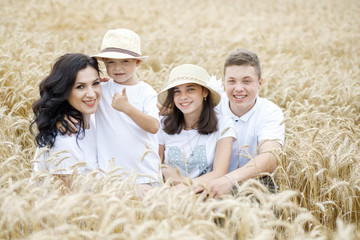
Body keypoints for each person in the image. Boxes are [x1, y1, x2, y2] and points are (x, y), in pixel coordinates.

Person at [201, 48, 285, 198]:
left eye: (247, 81)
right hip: (209, 184)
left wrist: (228, 180)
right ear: (224, 82)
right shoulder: (211, 104)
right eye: (232, 81)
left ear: (259, 83)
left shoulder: (270, 111)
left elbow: (271, 156)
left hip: (253, 185)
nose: (239, 88)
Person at [91, 28, 161, 184]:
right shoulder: (100, 89)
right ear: (104, 63)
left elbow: (154, 126)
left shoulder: (146, 91)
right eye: (111, 62)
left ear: (137, 62)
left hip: (145, 174)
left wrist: (127, 108)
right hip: (110, 176)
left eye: (125, 61)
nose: (117, 68)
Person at [157, 64, 236, 191]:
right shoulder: (162, 124)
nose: (183, 96)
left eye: (190, 89)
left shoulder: (223, 124)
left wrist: (183, 184)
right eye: (177, 91)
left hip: (205, 196)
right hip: (168, 197)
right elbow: (156, 165)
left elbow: (219, 173)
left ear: (204, 92)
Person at [31, 53, 101, 187]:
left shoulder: (95, 118)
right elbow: (71, 203)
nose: (92, 94)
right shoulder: (64, 141)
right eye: (80, 86)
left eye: (95, 83)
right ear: (64, 90)